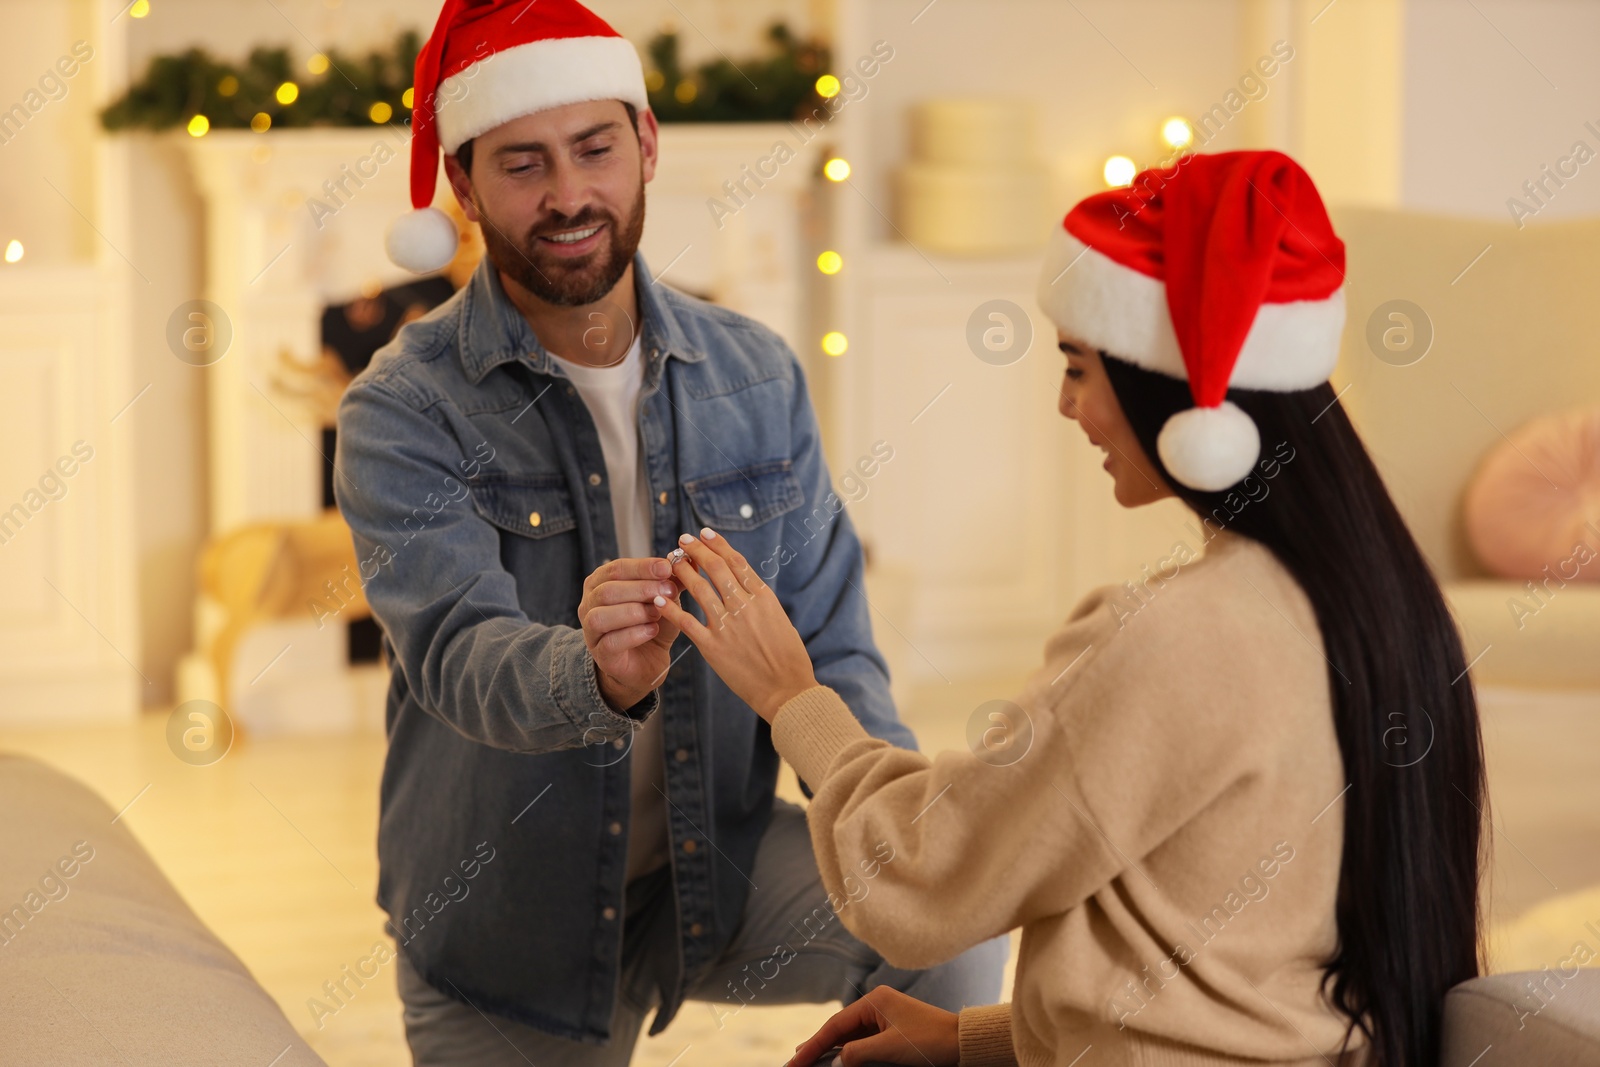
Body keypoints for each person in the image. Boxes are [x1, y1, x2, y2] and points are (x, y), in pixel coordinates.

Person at [634, 152, 1487, 1067]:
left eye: (1080, 367)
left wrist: (791, 694)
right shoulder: (1382, 602)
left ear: (1178, 387)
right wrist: (978, 1039)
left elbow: (918, 875)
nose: (1066, 404)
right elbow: (1246, 979)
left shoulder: (1178, 636)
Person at [333, 1, 1007, 1063]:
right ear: (461, 185)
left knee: (948, 927)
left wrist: (888, 811)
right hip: (510, 932)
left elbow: (830, 638)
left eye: (595, 149)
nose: (567, 196)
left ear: (646, 145)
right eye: (521, 164)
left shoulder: (755, 371)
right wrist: (590, 672)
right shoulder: (401, 407)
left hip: (718, 872)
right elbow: (455, 651)